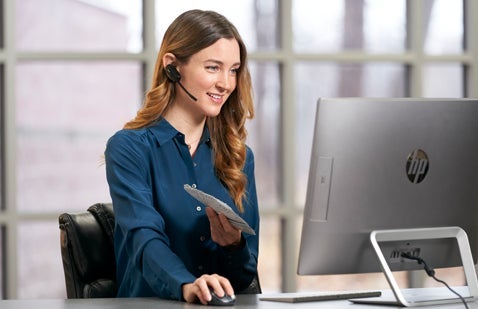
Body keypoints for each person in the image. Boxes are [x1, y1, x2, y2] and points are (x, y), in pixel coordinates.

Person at [104, 9, 260, 305]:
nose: (226, 83)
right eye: (213, 67)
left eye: (233, 69)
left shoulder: (239, 157)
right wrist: (187, 285)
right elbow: (144, 239)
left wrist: (233, 246)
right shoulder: (129, 149)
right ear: (173, 67)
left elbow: (243, 277)